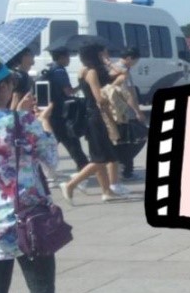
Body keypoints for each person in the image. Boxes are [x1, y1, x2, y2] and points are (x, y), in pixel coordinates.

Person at [0, 54, 79, 293]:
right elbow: (52, 160)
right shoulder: (23, 124)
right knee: (40, 285)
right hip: (28, 219)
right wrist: (43, 121)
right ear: (4, 87)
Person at [59, 43, 122, 202]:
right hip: (97, 117)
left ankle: (106, 191)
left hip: (92, 116)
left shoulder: (83, 70)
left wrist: (107, 63)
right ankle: (71, 184)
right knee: (100, 158)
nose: (104, 56)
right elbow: (99, 98)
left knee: (104, 156)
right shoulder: (92, 72)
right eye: (102, 54)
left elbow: (121, 73)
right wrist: (110, 96)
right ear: (96, 55)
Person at [111, 47, 149, 181]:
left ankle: (127, 169)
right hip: (125, 111)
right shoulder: (123, 71)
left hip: (117, 111)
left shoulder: (114, 67)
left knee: (127, 139)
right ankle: (124, 166)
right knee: (139, 136)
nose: (136, 63)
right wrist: (138, 112)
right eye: (136, 60)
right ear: (129, 58)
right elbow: (128, 94)